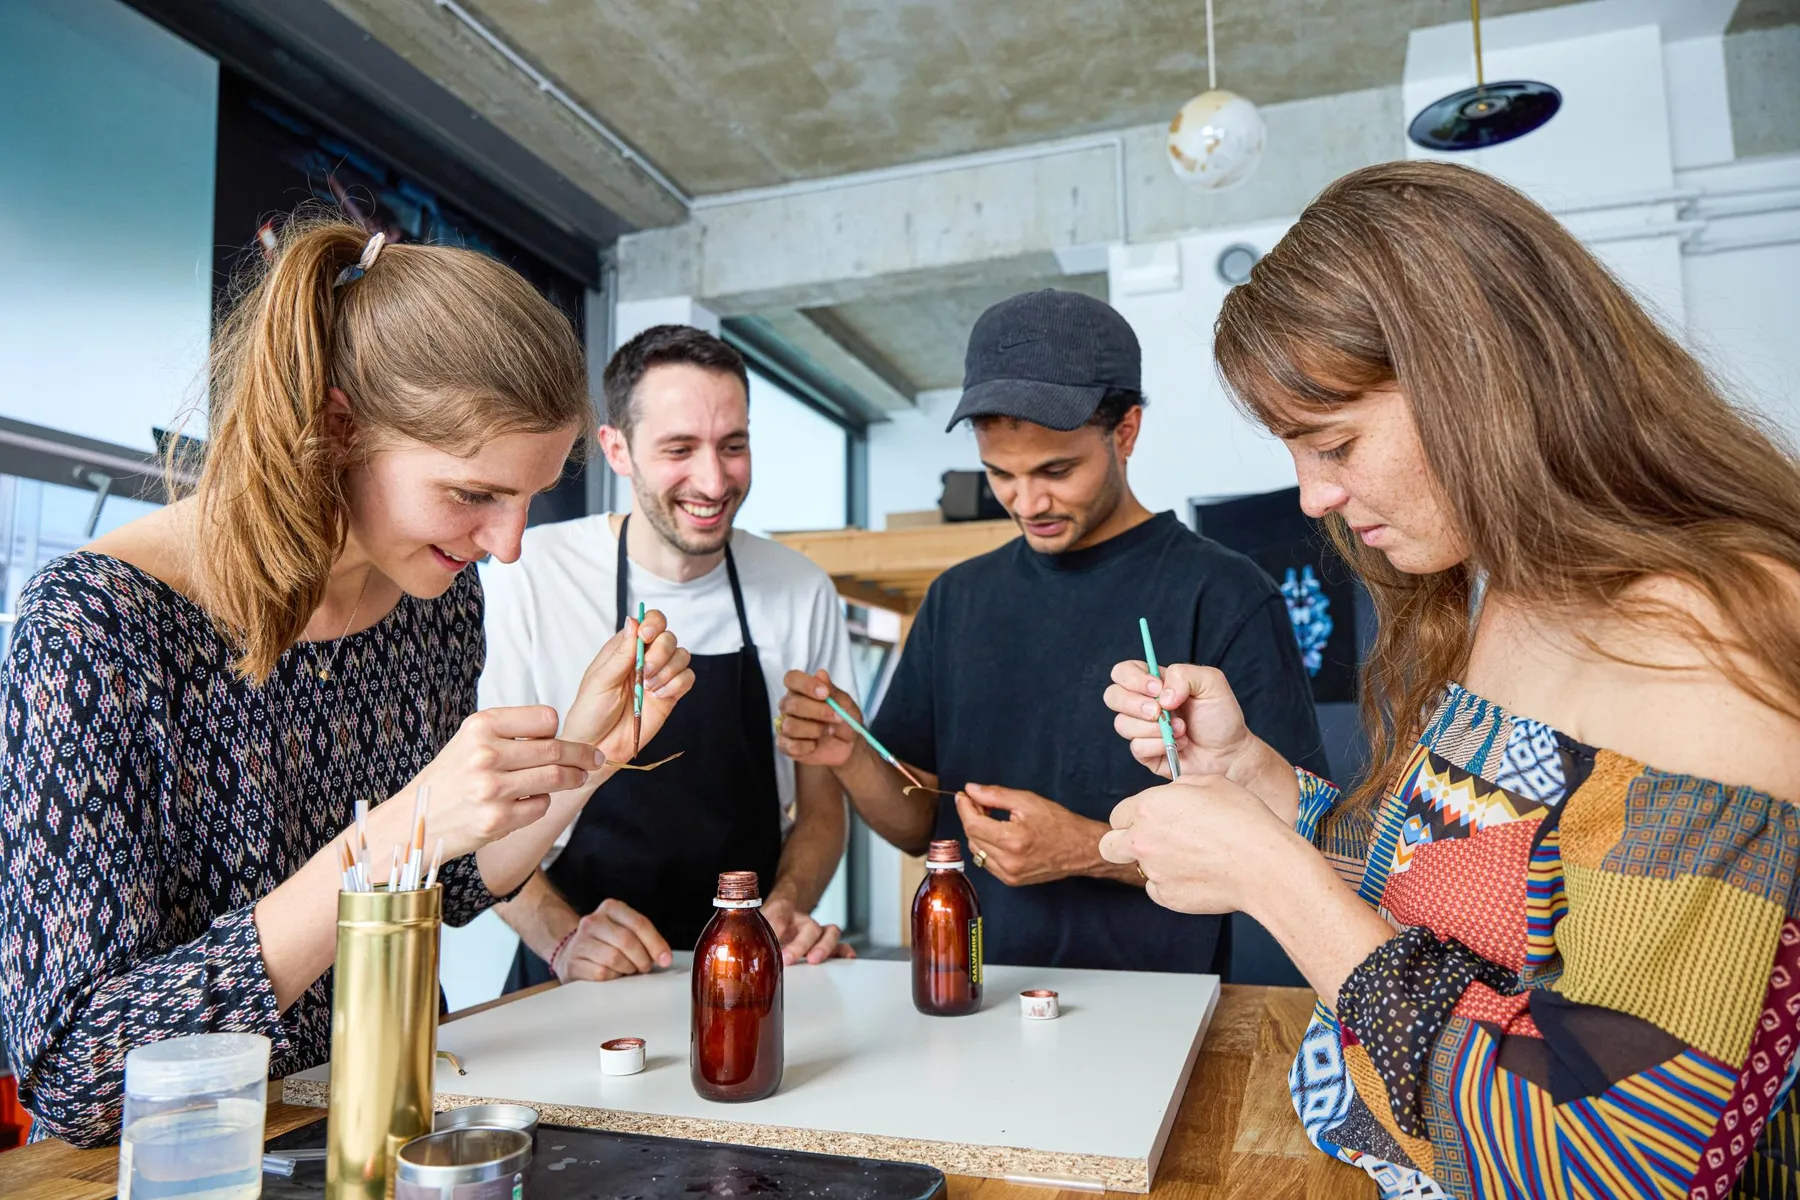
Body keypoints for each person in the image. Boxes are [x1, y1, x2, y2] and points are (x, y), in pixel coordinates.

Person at [1100, 161, 1800, 1198]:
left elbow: (1604, 1157)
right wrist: (1262, 784)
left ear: (1482, 381)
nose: (1313, 496)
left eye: (1335, 444)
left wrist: (1275, 881)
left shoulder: (1714, 637)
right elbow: (1453, 908)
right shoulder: (1514, 588)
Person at [0, 219, 696, 1147]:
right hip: (180, 1160)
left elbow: (443, 886)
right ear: (338, 428)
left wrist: (583, 760)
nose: (507, 543)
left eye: (527, 497)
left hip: (383, 1119)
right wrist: (395, 832)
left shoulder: (433, 597)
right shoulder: (95, 625)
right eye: (473, 494)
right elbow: (82, 1074)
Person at [778, 289, 1329, 974]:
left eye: (1057, 471)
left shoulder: (1224, 593)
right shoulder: (956, 599)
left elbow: (1290, 845)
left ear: (1126, 432)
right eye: (999, 474)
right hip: (973, 989)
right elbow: (919, 826)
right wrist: (853, 756)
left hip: (1158, 1005)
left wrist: (1089, 849)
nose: (1027, 502)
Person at [483, 325, 857, 989]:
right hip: (575, 977)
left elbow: (823, 807)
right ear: (617, 449)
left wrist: (788, 907)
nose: (713, 481)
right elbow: (487, 815)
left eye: (733, 446)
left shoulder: (801, 589)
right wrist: (563, 938)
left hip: (746, 969)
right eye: (679, 449)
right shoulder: (530, 575)